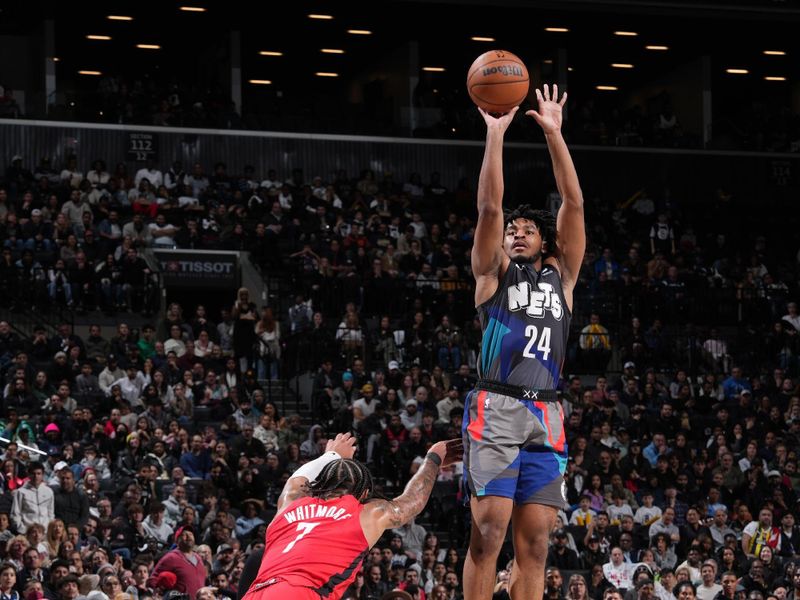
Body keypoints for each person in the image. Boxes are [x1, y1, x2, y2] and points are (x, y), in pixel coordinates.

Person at [462, 83, 585, 600]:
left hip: (549, 413)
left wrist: (554, 134)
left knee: (534, 547)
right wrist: (496, 135)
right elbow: (490, 207)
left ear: (545, 241)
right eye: (513, 228)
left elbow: (574, 203)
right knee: (488, 532)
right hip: (497, 404)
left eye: (527, 228)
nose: (515, 232)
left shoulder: (564, 278)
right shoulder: (492, 276)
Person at [241, 433, 461, 600]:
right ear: (364, 494)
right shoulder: (365, 513)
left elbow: (296, 480)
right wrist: (433, 458)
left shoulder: (289, 505)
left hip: (255, 592)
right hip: (301, 593)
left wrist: (332, 454)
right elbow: (412, 501)